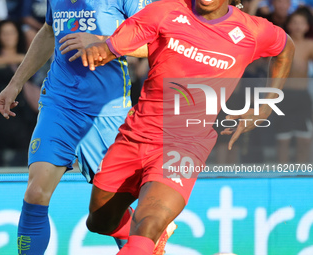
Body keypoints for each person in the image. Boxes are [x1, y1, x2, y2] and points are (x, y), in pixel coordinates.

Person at [79, 0, 295, 254]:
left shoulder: (252, 31)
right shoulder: (164, 11)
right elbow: (114, 46)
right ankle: (152, 237)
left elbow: (286, 48)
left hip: (185, 146)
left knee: (147, 225)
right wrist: (100, 50)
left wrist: (266, 104)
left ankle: (148, 237)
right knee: (100, 222)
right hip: (135, 135)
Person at [0, 0, 152, 254]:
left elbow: (156, 42)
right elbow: (48, 31)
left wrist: (104, 42)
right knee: (35, 192)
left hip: (107, 110)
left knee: (108, 212)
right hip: (59, 103)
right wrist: (16, 83)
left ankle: (143, 237)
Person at [0, 19, 39, 166]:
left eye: (12, 33)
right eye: (4, 33)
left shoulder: (27, 54)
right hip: (4, 109)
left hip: (27, 110)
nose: (8, 37)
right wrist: (26, 58)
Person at [275, 7, 313, 163]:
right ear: (288, 25)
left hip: (303, 96)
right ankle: (281, 176)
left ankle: (301, 177)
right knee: (282, 140)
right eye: (294, 22)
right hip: (285, 96)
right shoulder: (282, 43)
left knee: (303, 141)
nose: (298, 26)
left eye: (301, 23)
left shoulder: (310, 45)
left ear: (307, 27)